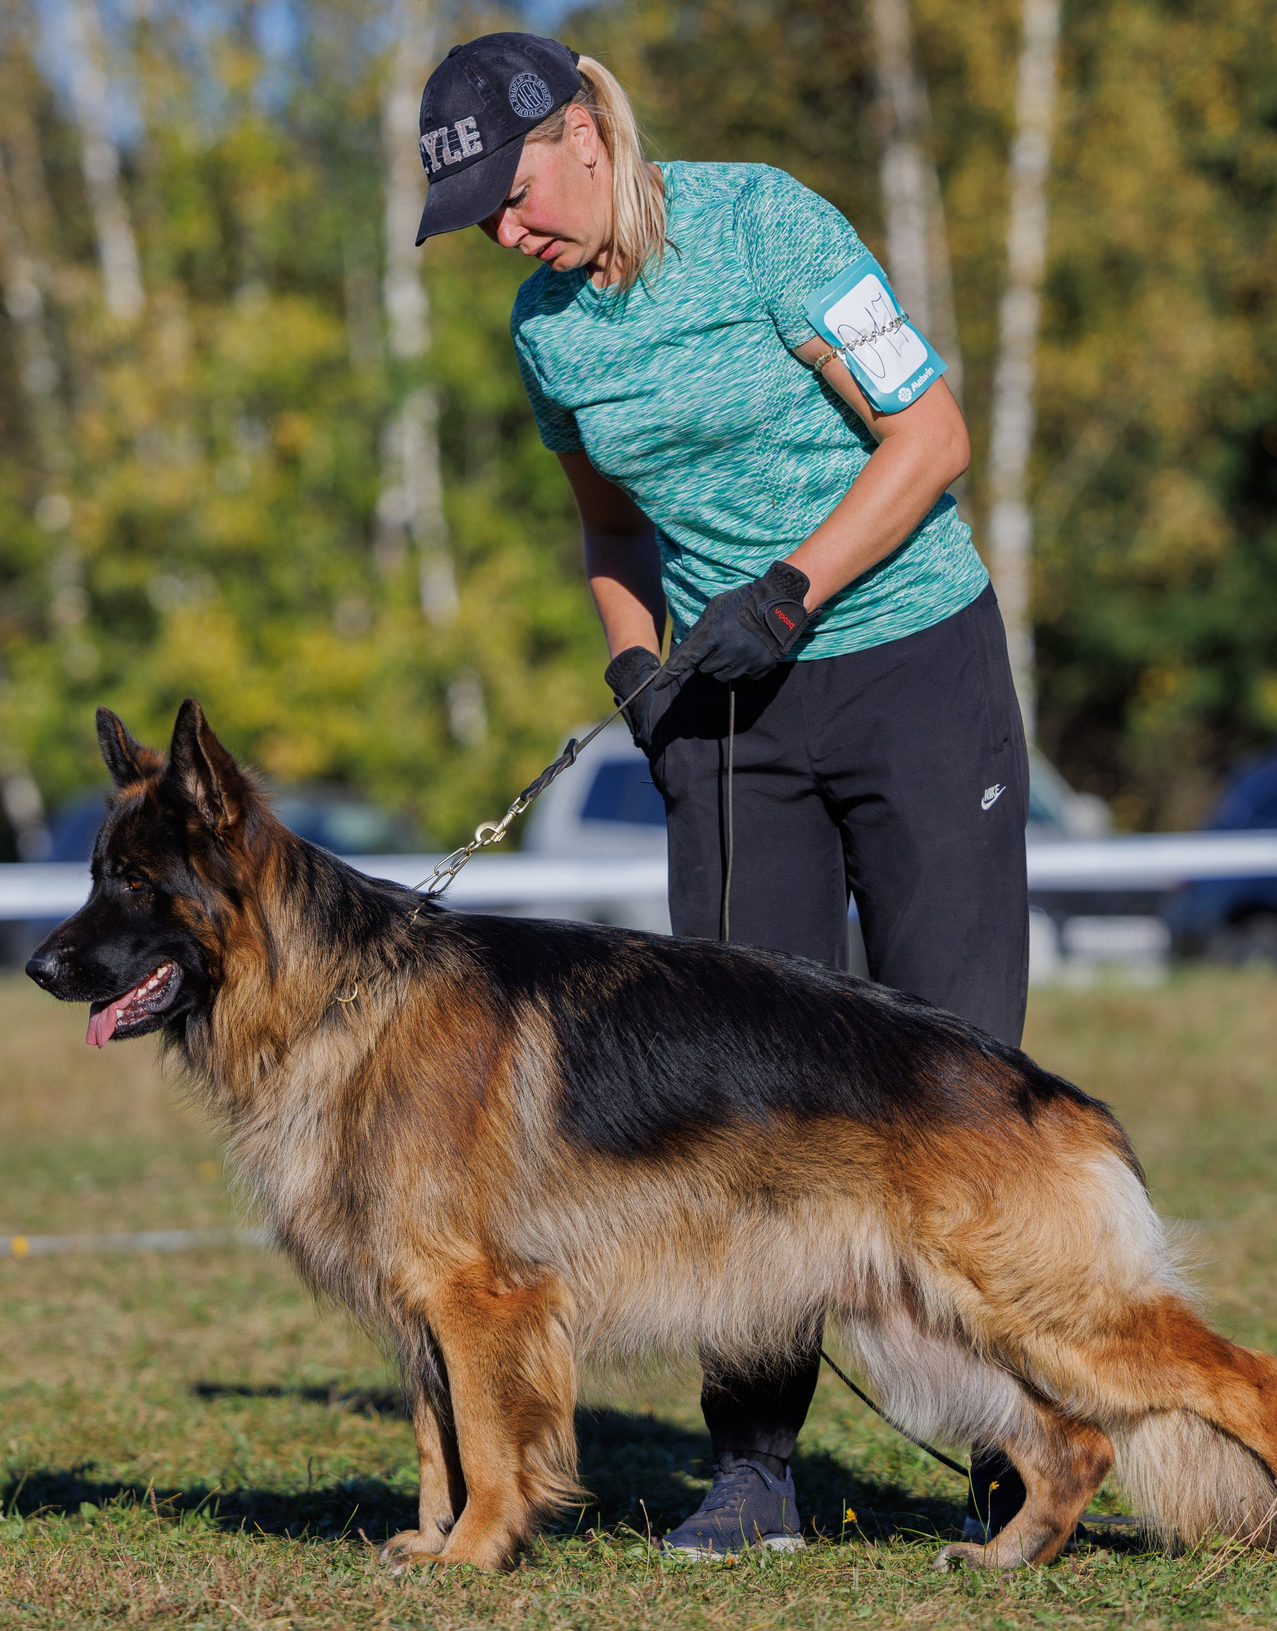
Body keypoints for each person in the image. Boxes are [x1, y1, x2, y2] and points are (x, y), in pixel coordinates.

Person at [414, 35, 1032, 1556]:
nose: (509, 229)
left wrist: (794, 587)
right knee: (743, 1101)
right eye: (482, 216)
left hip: (910, 667)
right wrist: (642, 670)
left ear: (581, 130)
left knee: (953, 1072)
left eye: (513, 192)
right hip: (731, 708)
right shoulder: (550, 333)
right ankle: (756, 1467)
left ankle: (1017, 1441)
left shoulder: (769, 226)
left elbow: (930, 436)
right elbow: (612, 528)